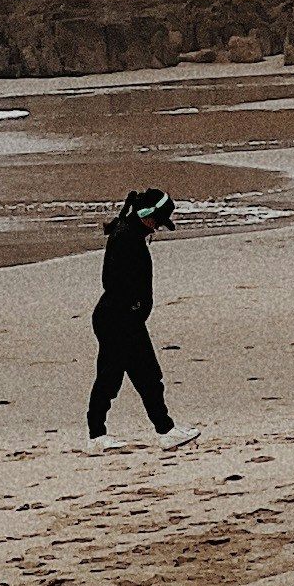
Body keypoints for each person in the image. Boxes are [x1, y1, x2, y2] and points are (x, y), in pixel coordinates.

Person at [88, 187, 179, 438]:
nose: (157, 227)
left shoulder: (131, 233)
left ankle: (165, 431)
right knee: (115, 378)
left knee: (145, 376)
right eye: (158, 221)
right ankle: (97, 435)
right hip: (118, 320)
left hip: (122, 318)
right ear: (147, 214)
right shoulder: (125, 237)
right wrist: (134, 307)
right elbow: (111, 281)